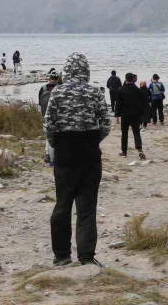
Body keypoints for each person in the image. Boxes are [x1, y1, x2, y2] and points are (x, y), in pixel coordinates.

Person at [44, 52, 111, 268]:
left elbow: (49, 126)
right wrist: (91, 140)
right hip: (90, 154)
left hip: (65, 153)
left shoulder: (57, 93)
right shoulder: (95, 93)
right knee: (87, 207)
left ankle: (62, 255)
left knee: (62, 203)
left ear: (66, 71)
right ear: (86, 71)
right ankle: (86, 256)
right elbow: (105, 125)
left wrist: (58, 144)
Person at [114, 73, 147, 159]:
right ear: (133, 79)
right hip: (135, 114)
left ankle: (124, 151)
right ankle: (139, 149)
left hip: (125, 114)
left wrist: (117, 114)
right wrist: (142, 113)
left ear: (125, 79)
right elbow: (142, 102)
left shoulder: (121, 89)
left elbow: (118, 103)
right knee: (136, 132)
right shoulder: (137, 89)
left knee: (124, 133)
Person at [39, 71, 61, 166]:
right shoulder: (60, 88)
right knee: (55, 135)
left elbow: (39, 102)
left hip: (44, 112)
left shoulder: (43, 88)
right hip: (56, 113)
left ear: (50, 78)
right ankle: (51, 157)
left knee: (48, 133)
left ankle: (47, 154)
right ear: (58, 79)